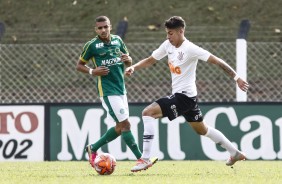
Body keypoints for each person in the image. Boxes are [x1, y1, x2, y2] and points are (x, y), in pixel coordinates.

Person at [126, 16, 249, 172]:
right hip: (188, 98)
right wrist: (133, 68)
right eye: (167, 33)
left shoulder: (191, 49)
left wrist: (237, 77)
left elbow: (217, 61)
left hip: (183, 97)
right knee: (202, 130)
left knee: (148, 112)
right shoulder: (167, 45)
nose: (168, 37)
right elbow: (151, 60)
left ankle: (144, 159)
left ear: (180, 31)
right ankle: (235, 152)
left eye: (170, 33)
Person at [76, 15, 158, 169]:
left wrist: (128, 61)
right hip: (108, 91)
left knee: (121, 127)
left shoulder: (117, 41)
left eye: (105, 26)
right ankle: (141, 158)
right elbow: (79, 65)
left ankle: (93, 148)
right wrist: (93, 71)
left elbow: (128, 60)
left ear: (110, 26)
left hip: (121, 89)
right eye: (99, 28)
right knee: (125, 124)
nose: (103, 30)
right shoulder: (92, 45)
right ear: (96, 29)